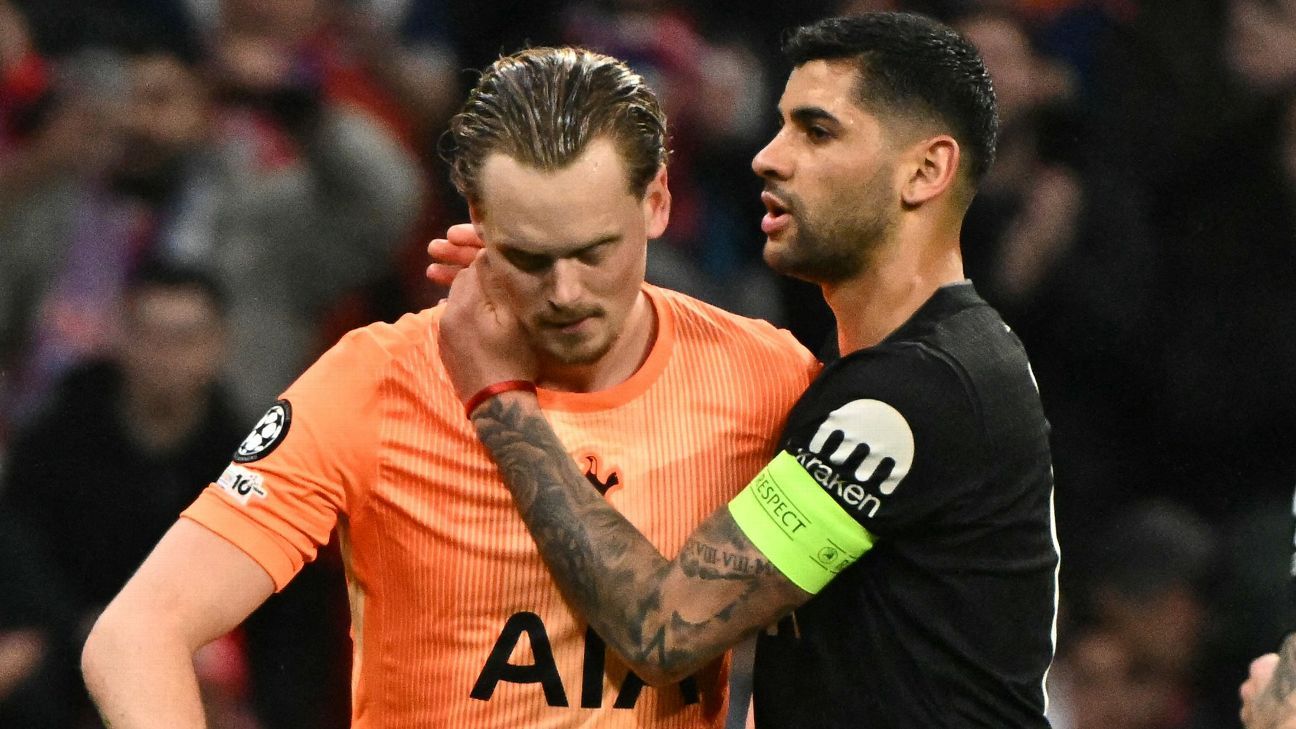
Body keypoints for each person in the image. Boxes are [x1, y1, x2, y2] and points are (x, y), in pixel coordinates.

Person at [81, 47, 820, 728]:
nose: (566, 292)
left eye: (595, 252)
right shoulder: (378, 379)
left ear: (656, 201)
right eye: (529, 257)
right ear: (477, 218)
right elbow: (137, 632)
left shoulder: (764, 377)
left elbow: (850, 645)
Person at [435, 12, 1058, 727]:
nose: (768, 157)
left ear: (925, 171)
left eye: (816, 132)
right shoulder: (920, 363)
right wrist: (554, 278)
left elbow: (659, 630)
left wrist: (498, 394)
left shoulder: (914, 392)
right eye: (781, 124)